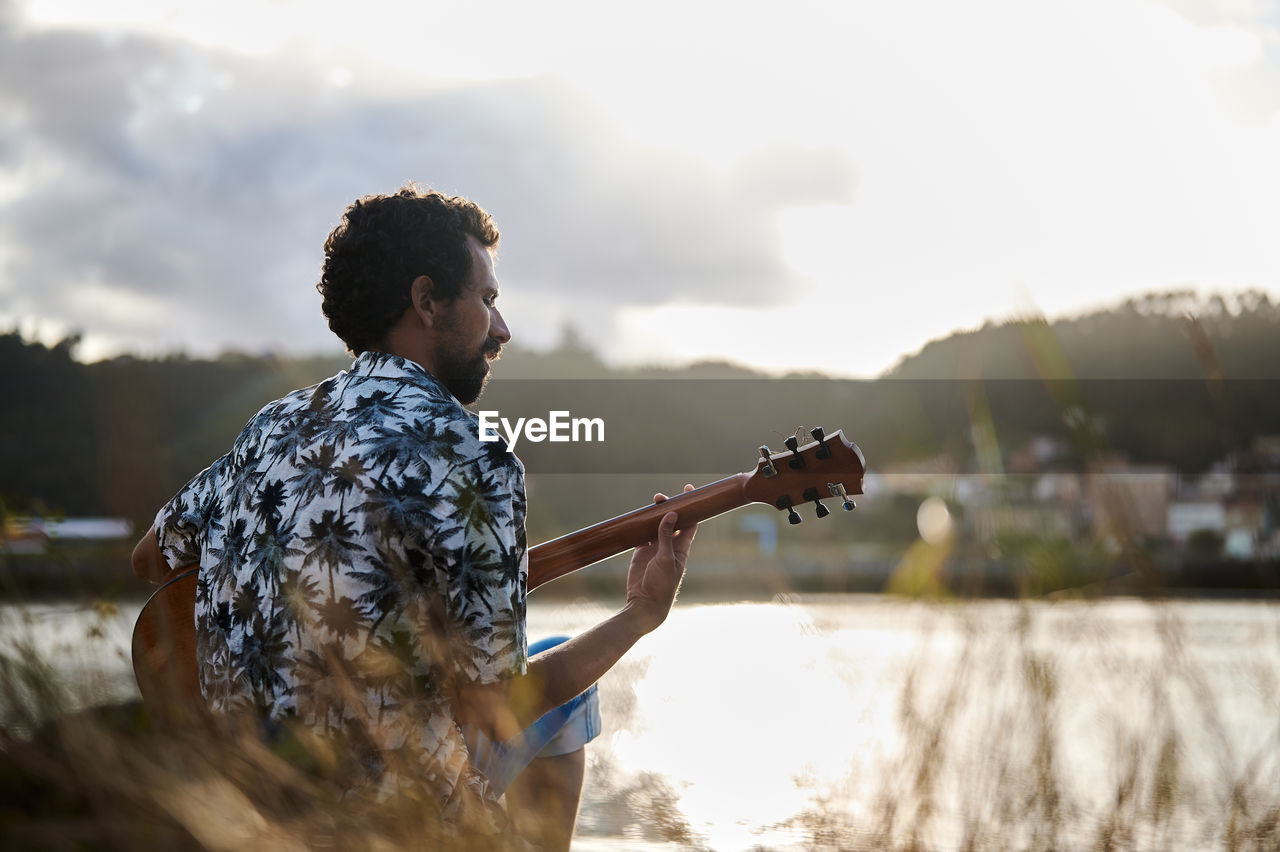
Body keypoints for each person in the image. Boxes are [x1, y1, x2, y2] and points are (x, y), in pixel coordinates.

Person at [131, 186, 697, 850]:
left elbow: (151, 558)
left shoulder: (276, 425)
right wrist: (641, 613)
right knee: (568, 696)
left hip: (248, 811)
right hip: (396, 824)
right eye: (487, 300)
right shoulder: (474, 459)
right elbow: (497, 711)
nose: (503, 328)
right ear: (427, 301)